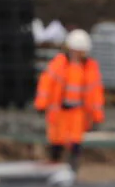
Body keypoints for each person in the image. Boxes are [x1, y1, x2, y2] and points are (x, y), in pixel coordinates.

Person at [34, 28, 105, 167]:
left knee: (75, 140)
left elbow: (95, 94)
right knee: (56, 139)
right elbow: (46, 84)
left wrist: (97, 116)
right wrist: (41, 104)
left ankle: (72, 166)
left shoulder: (89, 68)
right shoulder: (59, 64)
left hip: (78, 112)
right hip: (60, 110)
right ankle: (54, 163)